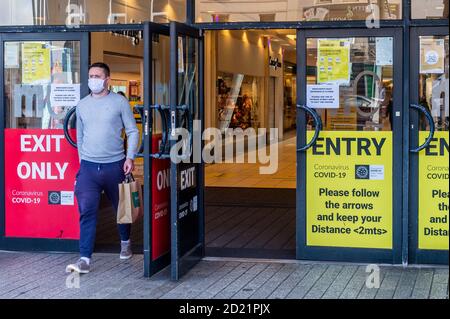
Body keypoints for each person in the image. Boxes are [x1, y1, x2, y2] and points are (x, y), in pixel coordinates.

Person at [66, 62, 139, 274]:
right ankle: (84, 259)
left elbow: (133, 131)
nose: (93, 79)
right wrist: (82, 161)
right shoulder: (82, 105)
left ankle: (125, 242)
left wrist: (130, 157)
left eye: (97, 76)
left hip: (115, 165)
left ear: (107, 79)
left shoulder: (119, 102)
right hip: (88, 168)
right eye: (90, 75)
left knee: (121, 209)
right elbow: (79, 136)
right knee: (87, 210)